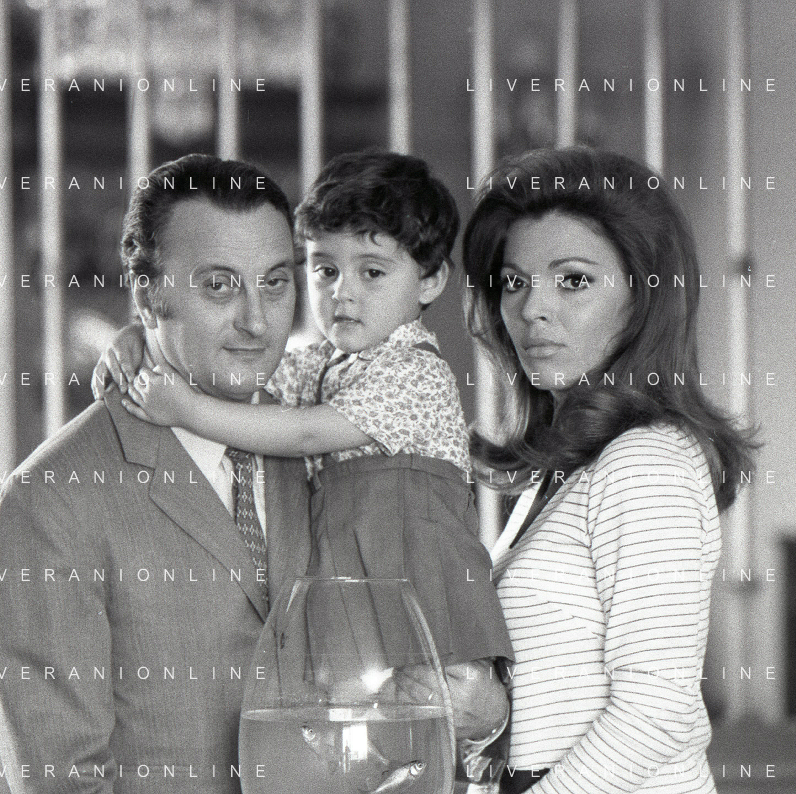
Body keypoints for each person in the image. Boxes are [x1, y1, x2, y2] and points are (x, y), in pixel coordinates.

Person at [97, 151, 514, 767]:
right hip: (354, 590)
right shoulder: (318, 363)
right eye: (324, 270)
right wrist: (141, 336)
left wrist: (184, 409)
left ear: (430, 281)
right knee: (359, 748)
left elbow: (302, 433)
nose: (342, 293)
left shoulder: (416, 370)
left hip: (416, 584)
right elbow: (237, 381)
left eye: (372, 272)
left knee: (425, 728)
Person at [0, 154, 313, 794]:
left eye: (275, 283)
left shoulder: (312, 443)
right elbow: (64, 783)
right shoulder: (47, 505)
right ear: (147, 297)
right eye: (219, 285)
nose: (257, 321)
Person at [462, 147, 755, 794]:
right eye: (514, 282)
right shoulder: (572, 467)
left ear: (643, 296)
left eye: (572, 280)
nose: (532, 309)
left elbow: (655, 711)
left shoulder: (646, 462)